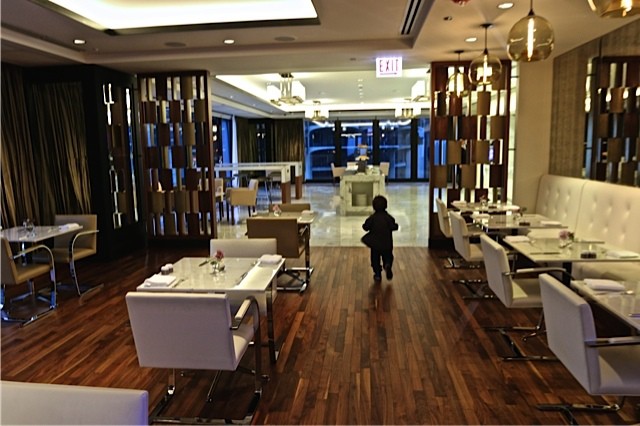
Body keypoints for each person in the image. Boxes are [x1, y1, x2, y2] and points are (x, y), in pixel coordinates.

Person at [361, 195, 399, 281]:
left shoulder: (372, 218)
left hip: (375, 244)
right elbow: (394, 226)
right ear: (386, 206)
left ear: (373, 206)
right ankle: (387, 265)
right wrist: (396, 226)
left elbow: (365, 227)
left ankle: (377, 274)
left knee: (375, 259)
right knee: (388, 256)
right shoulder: (389, 218)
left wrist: (365, 226)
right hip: (387, 243)